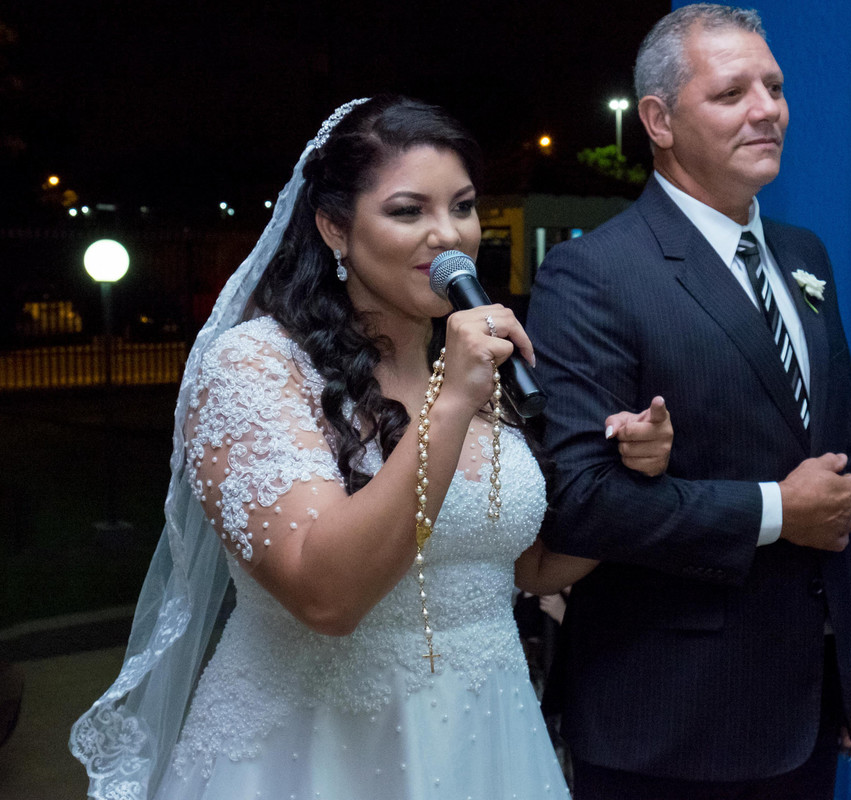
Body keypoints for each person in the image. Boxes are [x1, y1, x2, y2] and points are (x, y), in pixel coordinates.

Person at [69, 96, 671, 800]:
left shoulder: (477, 365)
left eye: (465, 207)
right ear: (334, 227)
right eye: (409, 211)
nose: (449, 237)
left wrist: (633, 473)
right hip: (316, 755)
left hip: (486, 740)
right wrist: (448, 407)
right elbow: (328, 597)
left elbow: (526, 567)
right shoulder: (256, 369)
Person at [526, 5, 851, 799]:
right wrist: (773, 511)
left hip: (809, 693)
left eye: (776, 86)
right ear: (657, 120)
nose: (768, 109)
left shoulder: (803, 254)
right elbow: (578, 504)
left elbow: (844, 455)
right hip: (670, 715)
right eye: (732, 94)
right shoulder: (594, 276)